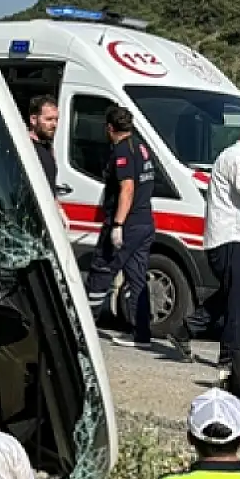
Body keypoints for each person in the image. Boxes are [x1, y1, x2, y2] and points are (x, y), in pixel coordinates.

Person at [174, 112, 240, 376]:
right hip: (228, 238)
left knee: (230, 293)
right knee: (237, 300)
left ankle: (186, 329)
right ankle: (231, 356)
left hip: (236, 237)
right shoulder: (236, 158)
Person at [84, 104, 157, 347]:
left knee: (102, 270)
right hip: (145, 221)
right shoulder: (141, 147)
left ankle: (83, 327)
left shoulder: (122, 151)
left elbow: (127, 188)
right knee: (137, 277)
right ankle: (141, 334)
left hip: (128, 223)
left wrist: (117, 224)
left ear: (110, 128)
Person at [27, 95, 61, 194]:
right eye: (49, 119)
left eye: (56, 120)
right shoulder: (27, 148)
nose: (54, 124)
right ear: (33, 119)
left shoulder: (48, 147)